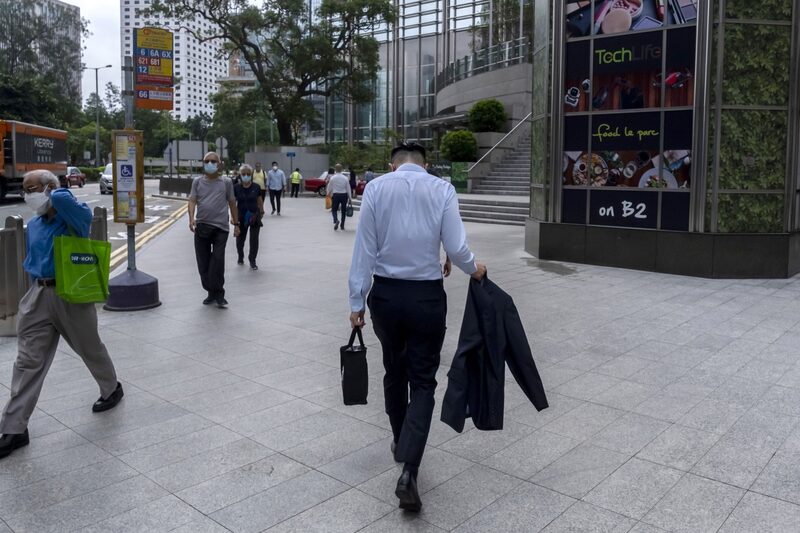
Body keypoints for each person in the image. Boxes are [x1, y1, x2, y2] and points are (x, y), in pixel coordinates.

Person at [349, 143, 486, 512]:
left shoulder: (376, 188)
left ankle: (399, 439)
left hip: (387, 297)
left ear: (392, 164)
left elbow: (364, 248)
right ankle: (409, 469)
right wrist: (474, 268)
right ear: (425, 165)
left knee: (394, 370)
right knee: (423, 380)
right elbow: (456, 246)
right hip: (427, 297)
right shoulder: (442, 189)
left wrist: (355, 301)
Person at [0, 170, 124, 460]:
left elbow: (71, 204)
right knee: (27, 361)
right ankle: (15, 427)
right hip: (38, 295)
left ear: (50, 189)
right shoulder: (35, 225)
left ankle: (111, 388)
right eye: (25, 190)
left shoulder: (73, 219)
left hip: (71, 293)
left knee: (89, 348)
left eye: (33, 189)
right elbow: (33, 261)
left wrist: (55, 189)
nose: (27, 195)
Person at [188, 152, 240, 308]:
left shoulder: (226, 182)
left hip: (221, 228)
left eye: (213, 161)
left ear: (219, 164)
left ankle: (219, 294)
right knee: (203, 263)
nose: (209, 164)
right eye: (206, 161)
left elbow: (232, 203)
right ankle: (210, 292)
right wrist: (191, 218)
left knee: (217, 262)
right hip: (202, 227)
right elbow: (192, 201)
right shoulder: (197, 182)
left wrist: (236, 224)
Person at [234, 164, 264, 270]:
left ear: (251, 175)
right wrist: (234, 219)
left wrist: (261, 211)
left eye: (248, 174)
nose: (245, 176)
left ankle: (252, 260)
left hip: (254, 217)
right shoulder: (236, 188)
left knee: (254, 240)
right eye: (243, 174)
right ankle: (240, 256)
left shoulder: (256, 187)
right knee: (240, 241)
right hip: (241, 217)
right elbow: (233, 204)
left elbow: (259, 200)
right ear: (240, 175)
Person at [327, 163, 352, 231]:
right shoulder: (345, 178)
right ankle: (342, 225)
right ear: (341, 169)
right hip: (344, 195)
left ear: (335, 169)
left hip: (336, 195)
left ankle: (336, 220)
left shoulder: (333, 178)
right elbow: (348, 188)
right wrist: (350, 197)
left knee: (334, 209)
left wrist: (328, 194)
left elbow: (329, 187)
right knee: (343, 211)